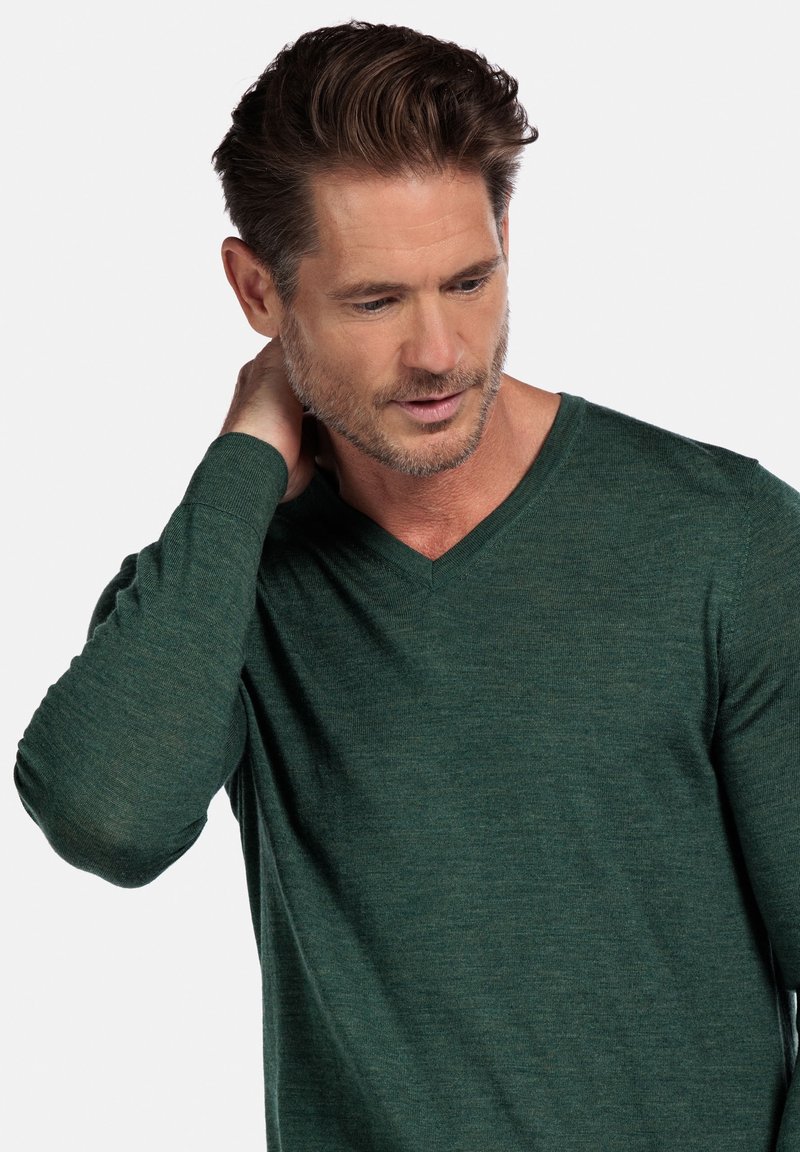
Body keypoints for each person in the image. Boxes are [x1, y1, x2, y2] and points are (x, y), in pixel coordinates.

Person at [14, 18, 800, 1151]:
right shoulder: (226, 580)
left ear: (505, 238)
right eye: (375, 301)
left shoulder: (722, 537)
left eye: (469, 281)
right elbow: (107, 818)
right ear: (257, 290)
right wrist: (244, 457)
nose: (439, 352)